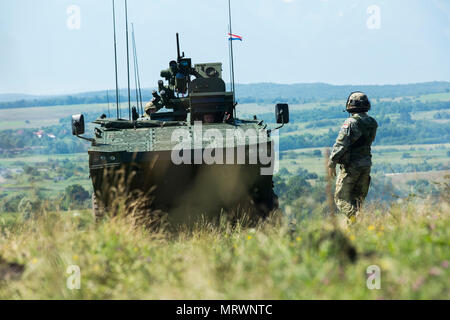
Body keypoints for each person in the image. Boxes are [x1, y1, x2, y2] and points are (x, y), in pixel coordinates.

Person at [328, 92, 378, 221]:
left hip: (351, 166)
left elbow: (341, 144)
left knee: (341, 198)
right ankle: (356, 229)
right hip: (366, 165)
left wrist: (332, 162)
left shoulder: (350, 122)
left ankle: (358, 219)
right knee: (357, 200)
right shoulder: (372, 122)